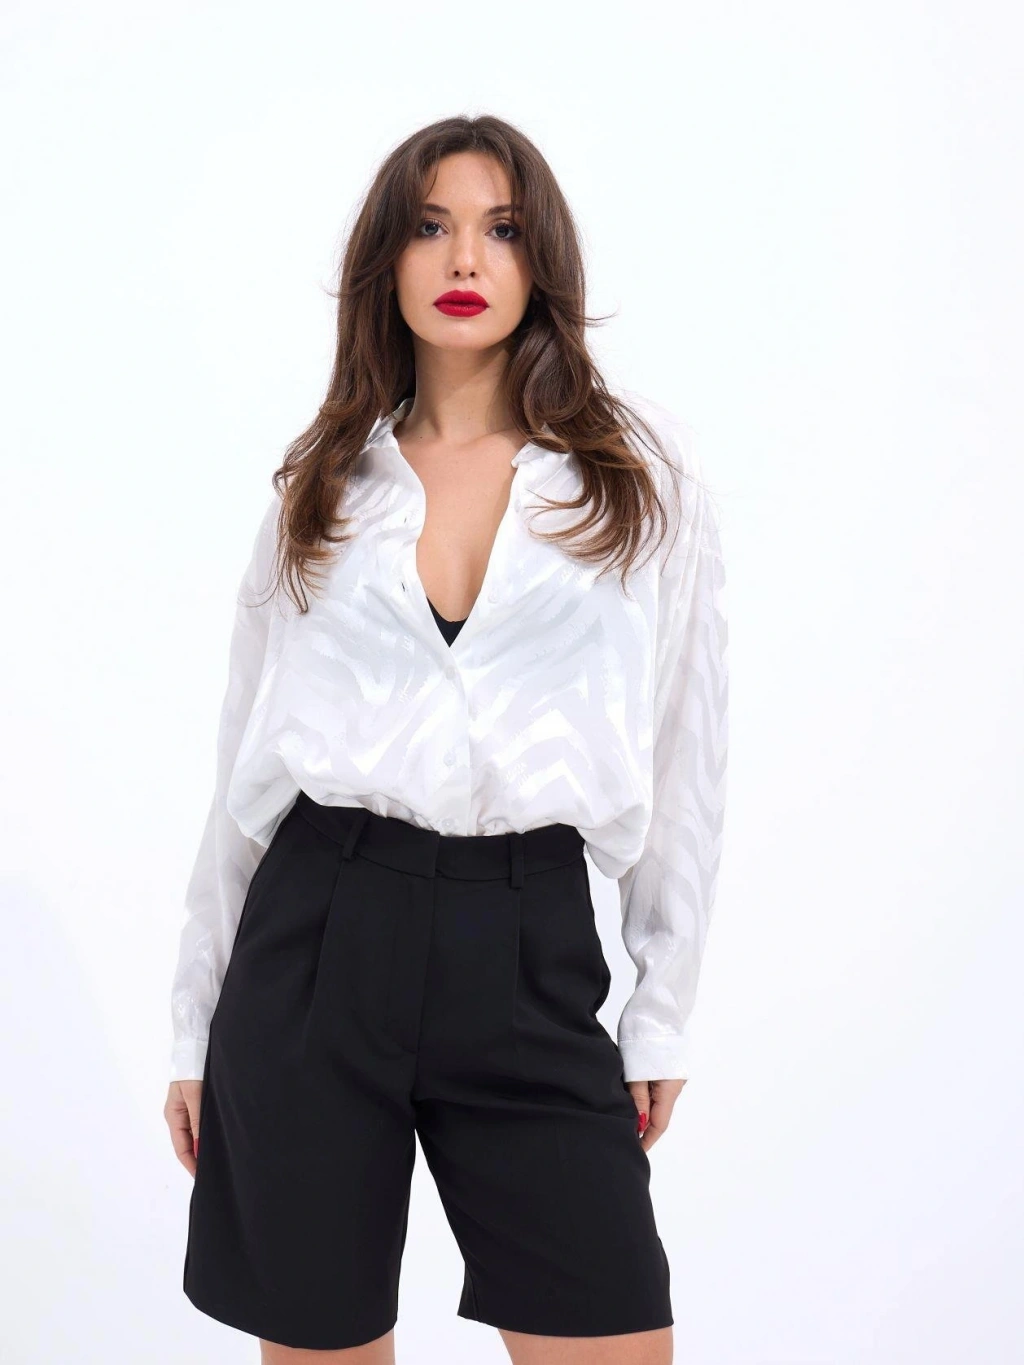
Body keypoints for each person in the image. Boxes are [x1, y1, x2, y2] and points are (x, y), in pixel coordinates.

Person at [163, 114, 729, 1364]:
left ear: (542, 261)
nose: (464, 256)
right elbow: (244, 771)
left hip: (527, 945)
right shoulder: (323, 485)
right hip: (315, 941)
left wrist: (661, 1009)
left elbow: (684, 745)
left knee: (611, 1327)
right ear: (388, 257)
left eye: (501, 229)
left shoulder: (633, 476)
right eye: (430, 226)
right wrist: (193, 1021)